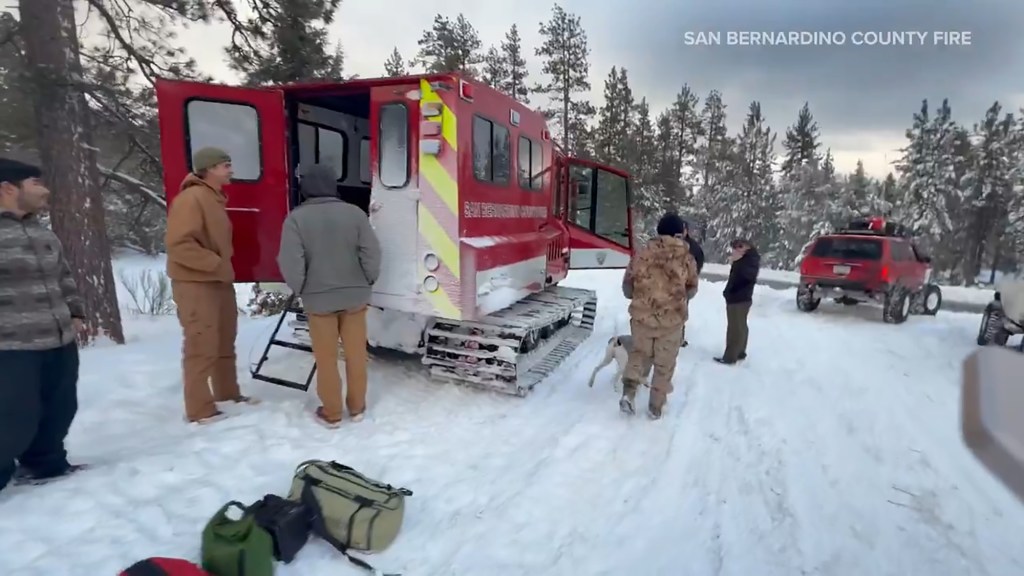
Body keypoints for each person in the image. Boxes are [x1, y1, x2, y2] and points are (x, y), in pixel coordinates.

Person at [0, 158, 87, 491]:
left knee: (60, 407)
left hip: (58, 338)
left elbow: (63, 276)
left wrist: (75, 313)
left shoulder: (41, 231)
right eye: (35, 183)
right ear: (9, 188)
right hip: (11, 345)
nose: (44, 190)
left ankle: (46, 463)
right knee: (12, 417)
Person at [277, 164, 381, 428]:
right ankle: (357, 407)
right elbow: (371, 252)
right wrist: (367, 280)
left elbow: (291, 262)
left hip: (319, 299)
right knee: (356, 354)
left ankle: (332, 413)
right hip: (355, 297)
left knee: (326, 359)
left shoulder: (296, 219)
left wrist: (301, 288)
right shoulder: (354, 214)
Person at [165, 147, 257, 424]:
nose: (231, 170)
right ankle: (199, 409)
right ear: (209, 169)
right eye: (225, 165)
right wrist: (215, 263)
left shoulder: (213, 198)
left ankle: (228, 393)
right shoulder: (191, 199)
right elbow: (178, 245)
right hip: (195, 283)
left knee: (224, 340)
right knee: (201, 344)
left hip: (217, 281)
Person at [619, 212, 699, 419]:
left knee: (638, 354)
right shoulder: (687, 258)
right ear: (679, 233)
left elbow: (627, 288)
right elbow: (692, 289)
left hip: (642, 318)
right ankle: (655, 406)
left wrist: (642, 296)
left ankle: (629, 393)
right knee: (665, 364)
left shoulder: (641, 254)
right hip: (671, 322)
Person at [715, 238, 760, 364]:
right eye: (735, 247)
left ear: (747, 247)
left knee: (735, 328)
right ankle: (740, 352)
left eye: (740, 246)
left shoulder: (748, 261)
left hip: (739, 298)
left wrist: (737, 262)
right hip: (740, 297)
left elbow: (744, 277)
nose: (736, 249)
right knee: (740, 326)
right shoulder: (749, 260)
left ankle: (730, 357)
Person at [679, 219, 704, 347]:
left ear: (686, 231)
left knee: (680, 312)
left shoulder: (692, 247)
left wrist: (691, 278)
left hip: (683, 286)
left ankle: (679, 338)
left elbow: (699, 262)